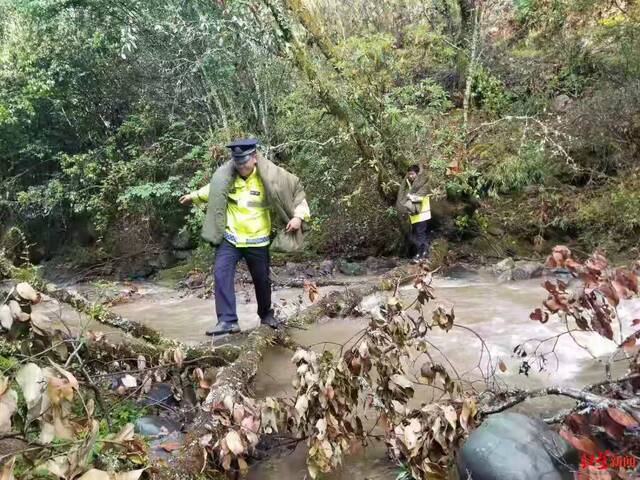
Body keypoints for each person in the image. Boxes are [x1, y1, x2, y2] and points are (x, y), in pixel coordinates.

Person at [179, 138, 310, 336]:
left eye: (244, 162)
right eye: (237, 163)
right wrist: (193, 196)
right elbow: (213, 189)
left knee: (261, 280)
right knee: (221, 274)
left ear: (254, 158)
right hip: (231, 239)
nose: (241, 167)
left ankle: (266, 315)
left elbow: (298, 194)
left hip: (257, 240)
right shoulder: (227, 176)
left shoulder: (272, 178)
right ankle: (227, 321)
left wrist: (299, 217)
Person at [396, 164, 431, 263]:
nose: (410, 176)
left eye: (412, 174)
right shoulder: (412, 185)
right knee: (417, 234)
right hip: (414, 215)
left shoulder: (422, 184)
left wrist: (410, 196)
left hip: (422, 214)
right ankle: (420, 253)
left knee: (420, 234)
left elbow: (421, 197)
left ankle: (422, 255)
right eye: (409, 174)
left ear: (417, 174)